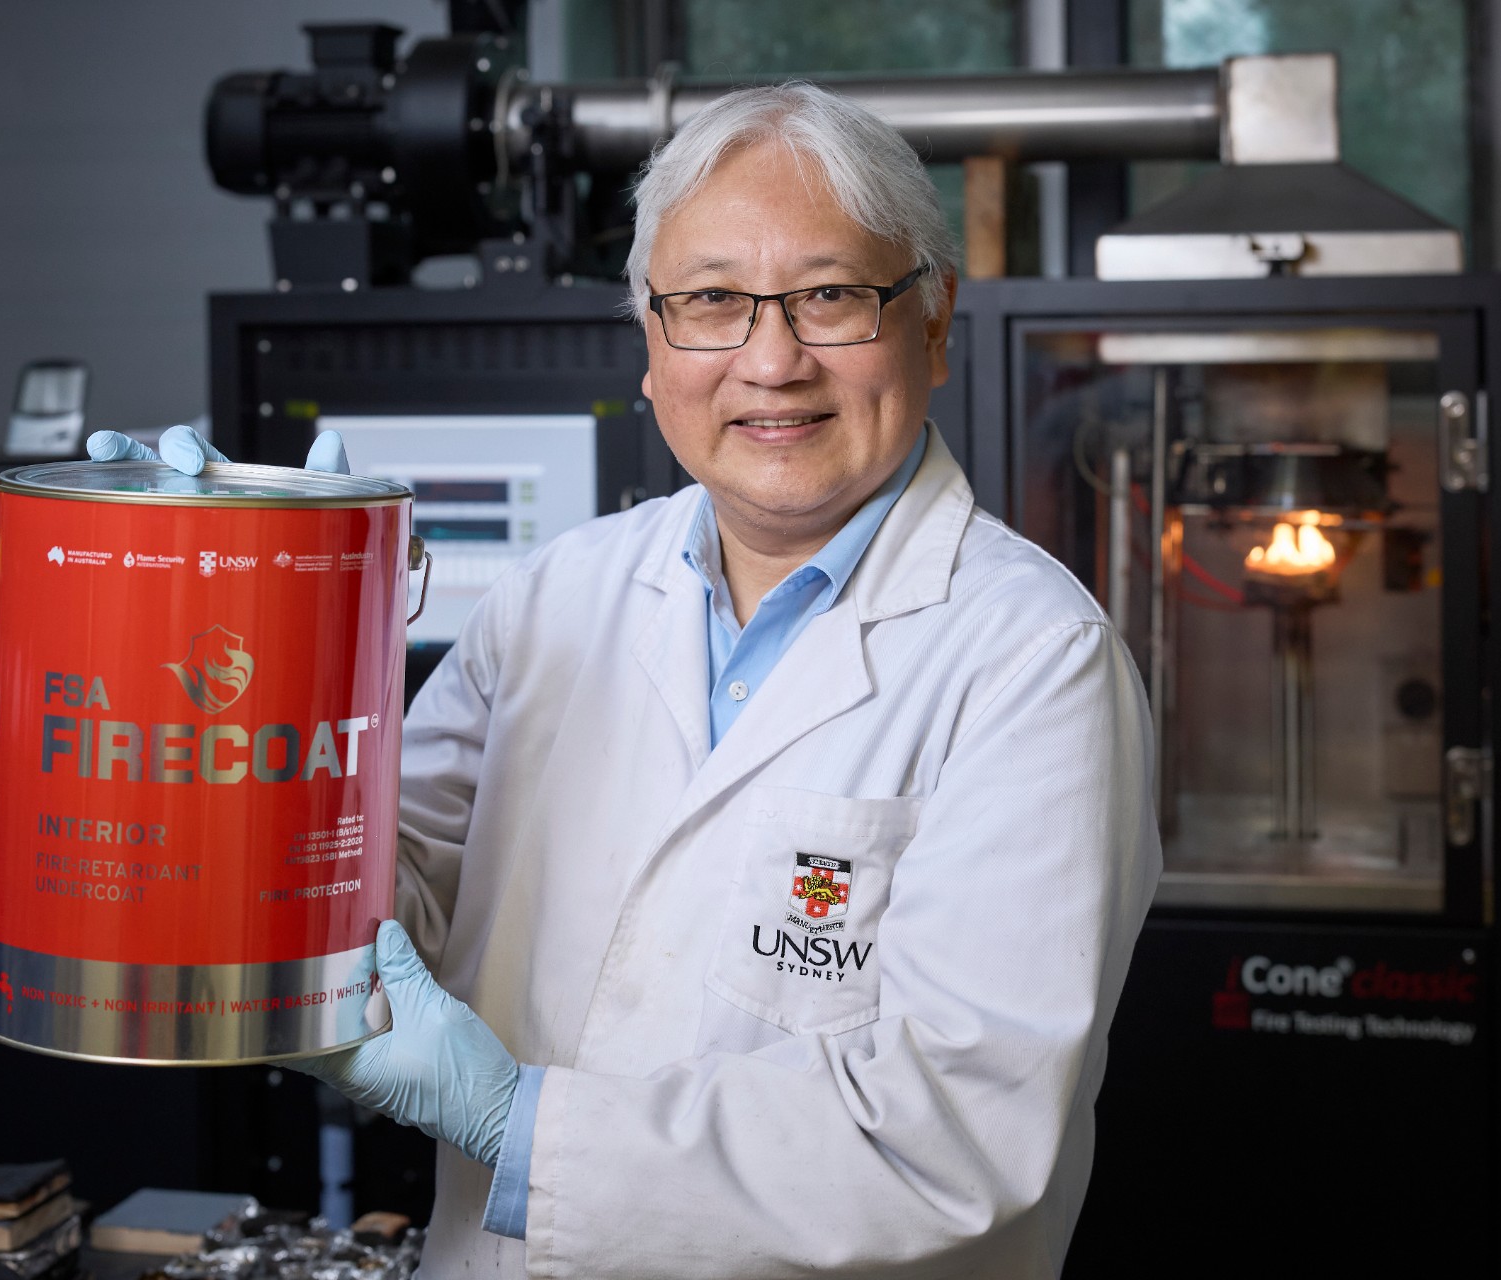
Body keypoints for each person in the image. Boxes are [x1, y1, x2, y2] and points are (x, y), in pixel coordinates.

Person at [94, 82, 1159, 1278]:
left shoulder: (1032, 664)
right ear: (649, 345)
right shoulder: (559, 599)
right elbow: (358, 905)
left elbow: (958, 1142)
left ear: (935, 322)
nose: (771, 359)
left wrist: (520, 1123)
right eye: (710, 301)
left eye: (830, 296)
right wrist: (225, 606)